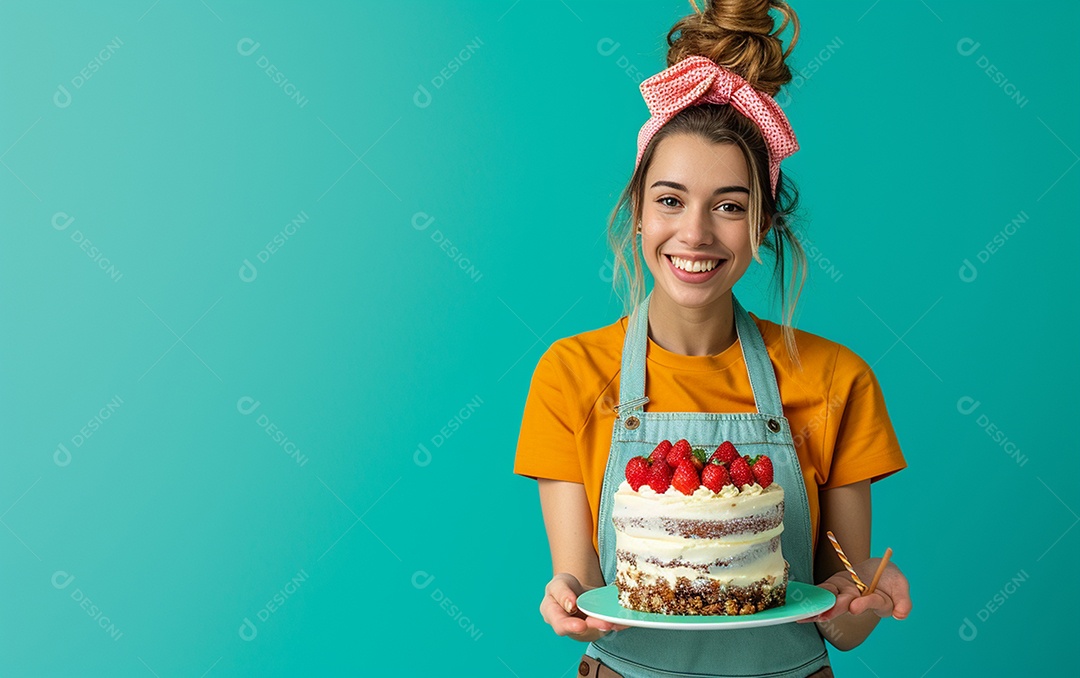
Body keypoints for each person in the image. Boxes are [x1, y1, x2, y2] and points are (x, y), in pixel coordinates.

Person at [513, 1, 913, 676]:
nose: (695, 234)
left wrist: (864, 599)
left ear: (763, 225)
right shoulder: (572, 373)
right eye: (670, 199)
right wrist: (567, 601)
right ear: (637, 211)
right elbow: (585, 587)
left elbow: (841, 625)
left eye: (729, 205)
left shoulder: (837, 379)